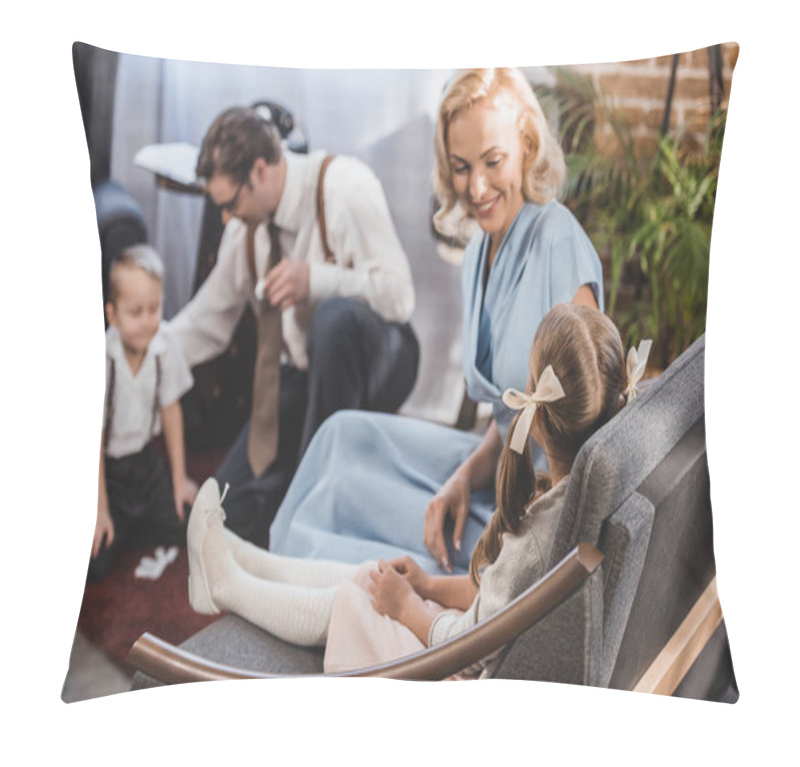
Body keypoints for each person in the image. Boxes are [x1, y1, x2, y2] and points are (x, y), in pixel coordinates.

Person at [269, 67, 604, 575]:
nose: (477, 186)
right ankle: (271, 566)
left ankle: (271, 583)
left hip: (537, 507)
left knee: (351, 500)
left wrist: (513, 534)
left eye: (493, 161)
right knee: (342, 436)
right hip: (497, 467)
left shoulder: (559, 244)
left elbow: (587, 433)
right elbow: (515, 412)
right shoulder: (477, 255)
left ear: (528, 147)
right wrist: (461, 478)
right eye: (461, 166)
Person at [187, 304, 634, 677]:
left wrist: (408, 609)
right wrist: (427, 586)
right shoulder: (582, 495)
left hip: (453, 675)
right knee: (371, 574)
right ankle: (249, 561)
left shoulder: (536, 537)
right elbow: (498, 601)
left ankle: (230, 588)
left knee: (353, 602)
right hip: (472, 646)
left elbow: (471, 645)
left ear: (534, 408)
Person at [170, 106, 419, 546]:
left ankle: (316, 506)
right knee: (224, 517)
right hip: (304, 376)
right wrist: (137, 353)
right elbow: (206, 320)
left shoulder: (346, 187)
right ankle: (300, 494)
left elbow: (400, 297)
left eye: (229, 204)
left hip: (381, 357)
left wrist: (316, 281)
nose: (225, 217)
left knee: (333, 318)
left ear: (260, 171)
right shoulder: (246, 227)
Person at [90, 245, 198, 582]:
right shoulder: (101, 359)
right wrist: (99, 509)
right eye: (135, 312)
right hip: (108, 472)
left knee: (187, 526)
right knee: (93, 564)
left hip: (146, 465)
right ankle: (122, 525)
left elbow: (170, 410)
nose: (147, 321)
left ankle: (137, 526)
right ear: (113, 314)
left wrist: (179, 480)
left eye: (154, 308)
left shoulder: (163, 344)